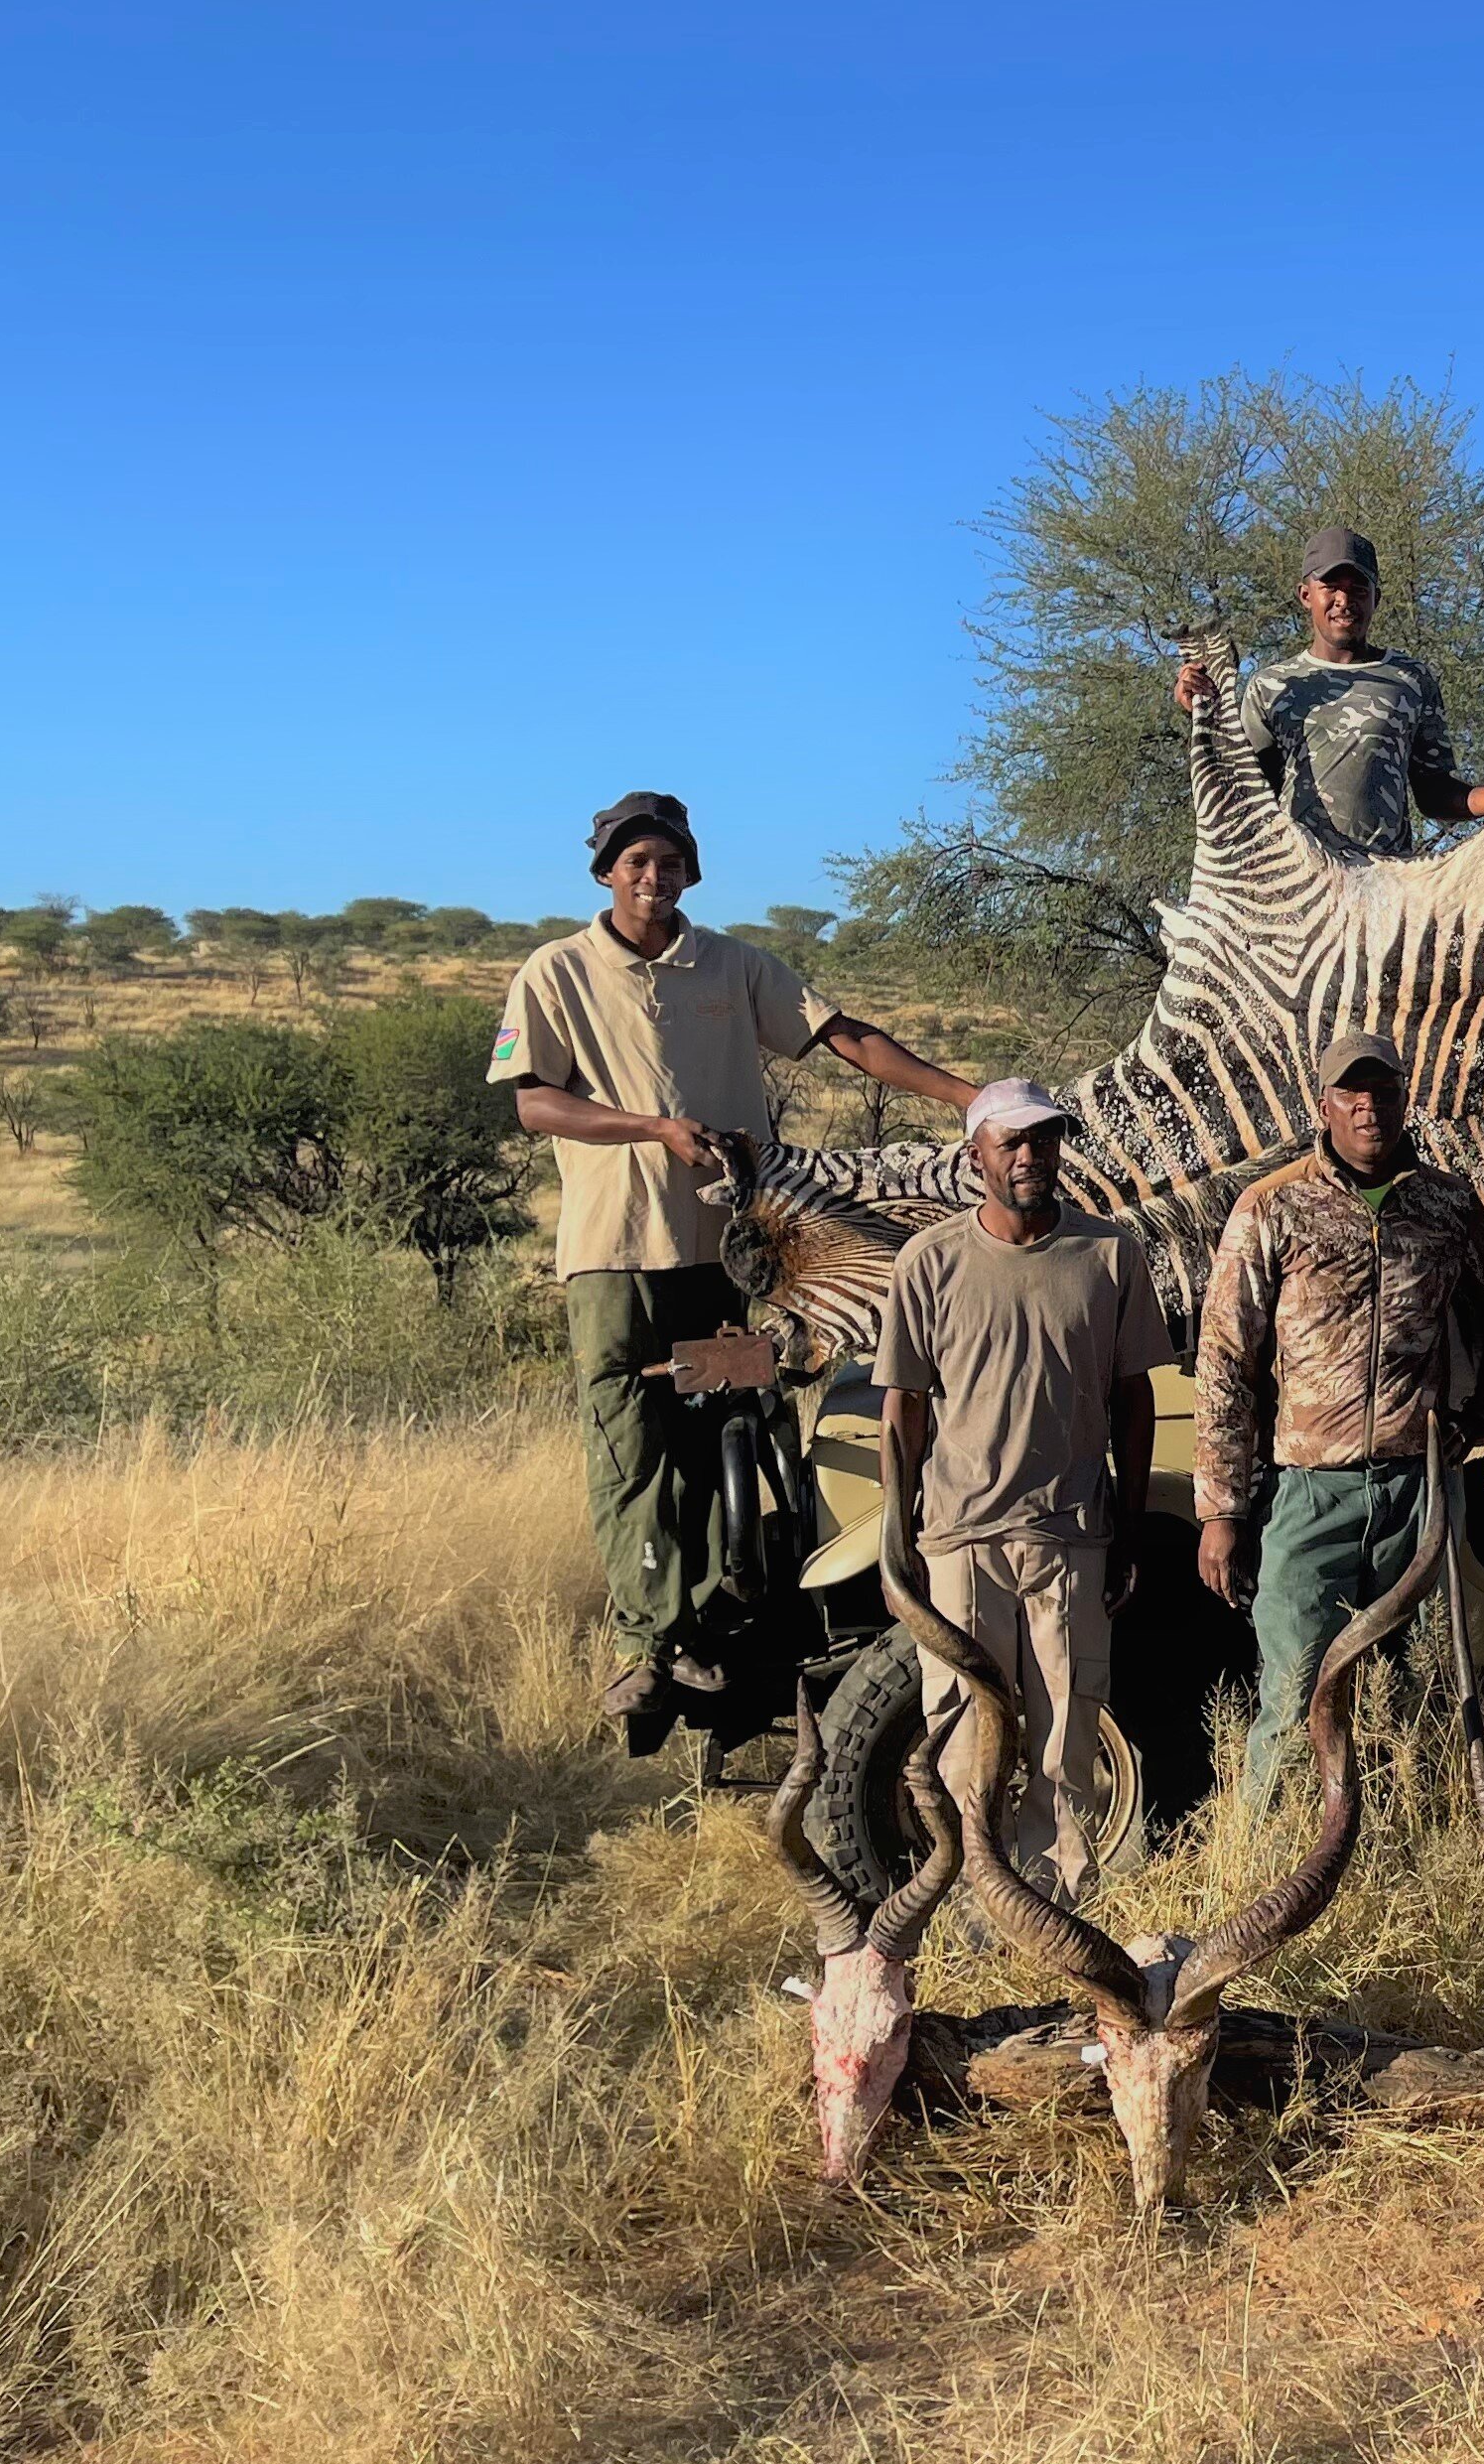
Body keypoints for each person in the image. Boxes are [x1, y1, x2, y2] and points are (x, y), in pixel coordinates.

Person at [492, 790, 976, 1719]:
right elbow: (533, 1104)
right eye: (636, 861)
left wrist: (970, 1098)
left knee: (733, 1431)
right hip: (618, 1255)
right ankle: (648, 1643)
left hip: (738, 1255)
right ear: (606, 872)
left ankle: (716, 1631)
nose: (654, 876)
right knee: (634, 1444)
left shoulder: (733, 964)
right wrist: (650, 1129)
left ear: (690, 871)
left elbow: (844, 1037)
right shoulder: (554, 973)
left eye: (669, 862)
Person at [1190, 1028, 1484, 1810]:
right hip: (1312, 1493)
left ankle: (1410, 1854)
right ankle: (1272, 1861)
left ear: (1404, 1099)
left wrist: (1479, 1419)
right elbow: (1224, 1362)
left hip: (1421, 1494)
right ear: (1325, 1106)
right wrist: (1221, 1509)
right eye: (1352, 1093)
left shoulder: (1447, 1205)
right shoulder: (1273, 1205)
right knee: (1294, 1692)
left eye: (1383, 1092)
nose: (1369, 1108)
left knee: (1417, 1688)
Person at [875, 1080, 1171, 1903]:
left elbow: (1133, 1399)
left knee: (1067, 1748)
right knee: (967, 1747)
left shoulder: (1110, 1255)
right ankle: (981, 1913)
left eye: (1045, 1139)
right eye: (1012, 1143)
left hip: (1072, 1536)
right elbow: (901, 1407)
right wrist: (897, 1542)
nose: (1032, 1156)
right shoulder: (930, 1262)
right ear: (976, 1157)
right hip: (960, 1539)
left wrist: (1130, 1530)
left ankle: (1065, 1920)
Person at [1166, 527, 1484, 861]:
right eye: (1330, 587)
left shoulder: (1411, 679)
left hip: (1388, 889)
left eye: (1358, 588)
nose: (1345, 600)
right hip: (1302, 892)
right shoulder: (1271, 686)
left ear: (1376, 596)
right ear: (1305, 595)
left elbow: (1432, 791)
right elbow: (1247, 793)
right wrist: (1205, 714)